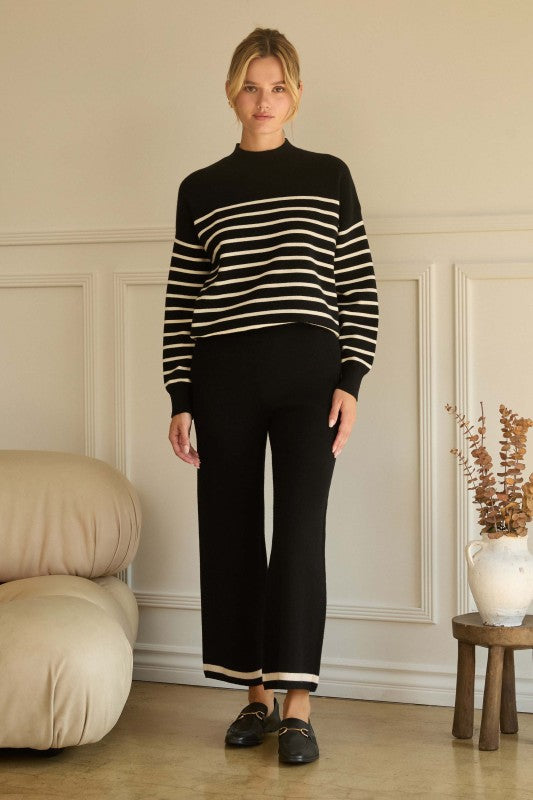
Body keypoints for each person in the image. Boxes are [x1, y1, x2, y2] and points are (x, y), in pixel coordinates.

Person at [163, 27, 379, 764]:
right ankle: (252, 696)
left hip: (308, 375)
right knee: (228, 530)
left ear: (296, 94)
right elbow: (181, 300)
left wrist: (351, 381)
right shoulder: (200, 188)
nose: (264, 101)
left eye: (277, 87)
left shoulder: (328, 175)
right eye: (251, 88)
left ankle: (297, 704)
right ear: (232, 93)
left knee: (299, 532)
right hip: (222, 372)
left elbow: (357, 287)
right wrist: (179, 395)